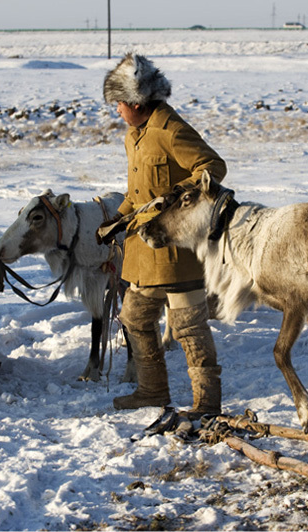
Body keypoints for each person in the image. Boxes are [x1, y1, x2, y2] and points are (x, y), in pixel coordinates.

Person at [100, 52, 227, 417]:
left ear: (137, 102)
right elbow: (136, 193)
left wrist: (178, 195)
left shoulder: (171, 130)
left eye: (120, 104)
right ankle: (152, 391)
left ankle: (207, 404)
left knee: (189, 329)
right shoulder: (134, 136)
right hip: (143, 255)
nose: (118, 110)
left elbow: (213, 166)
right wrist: (117, 221)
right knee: (135, 319)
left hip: (175, 256)